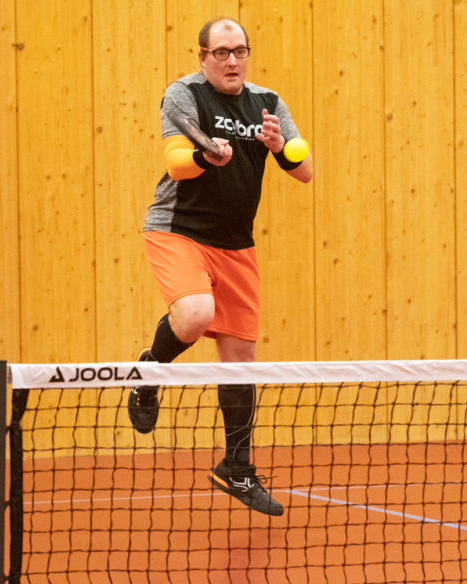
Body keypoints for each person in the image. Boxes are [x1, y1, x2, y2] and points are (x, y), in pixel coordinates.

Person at [128, 17, 313, 517]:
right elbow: (176, 161)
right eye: (222, 52)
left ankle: (237, 466)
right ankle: (150, 371)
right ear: (203, 57)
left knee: (240, 358)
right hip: (179, 229)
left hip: (237, 244)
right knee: (194, 314)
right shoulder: (184, 95)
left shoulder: (267, 102)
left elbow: (305, 171)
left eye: (240, 51)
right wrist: (207, 156)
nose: (232, 61)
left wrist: (279, 148)